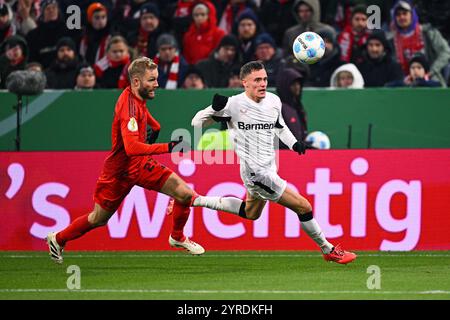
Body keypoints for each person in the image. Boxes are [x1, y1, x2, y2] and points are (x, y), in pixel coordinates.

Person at [191, 61, 357, 264]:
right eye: (257, 80)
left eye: (265, 79)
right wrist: (214, 110)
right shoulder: (233, 104)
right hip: (257, 173)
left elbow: (279, 127)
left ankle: (193, 199)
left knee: (251, 213)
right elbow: (196, 123)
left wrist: (294, 143)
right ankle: (328, 249)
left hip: (269, 166)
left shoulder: (273, 101)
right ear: (244, 83)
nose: (262, 84)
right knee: (303, 207)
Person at [46, 57, 206, 264]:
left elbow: (145, 115)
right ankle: (57, 239)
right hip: (119, 172)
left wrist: (155, 128)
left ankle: (177, 237)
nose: (157, 84)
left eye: (156, 79)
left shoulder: (136, 96)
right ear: (137, 81)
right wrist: (168, 146)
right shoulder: (128, 108)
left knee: (184, 194)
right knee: (98, 219)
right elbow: (131, 148)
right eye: (152, 80)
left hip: (139, 165)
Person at [387, 0, 450, 86]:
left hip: (430, 80)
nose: (401, 17)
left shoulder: (427, 32)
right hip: (405, 83)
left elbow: (446, 52)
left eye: (405, 13)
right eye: (398, 15)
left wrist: (431, 71)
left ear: (412, 15)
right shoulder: (391, 40)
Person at [26, 0, 80, 69]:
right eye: (48, 9)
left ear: (58, 10)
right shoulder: (33, 35)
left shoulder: (69, 30)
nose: (51, 11)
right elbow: (32, 60)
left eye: (54, 8)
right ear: (42, 13)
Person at [276, 67, 308, 147]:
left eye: (298, 84)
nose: (297, 87)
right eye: (293, 84)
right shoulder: (279, 108)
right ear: (284, 85)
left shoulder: (299, 107)